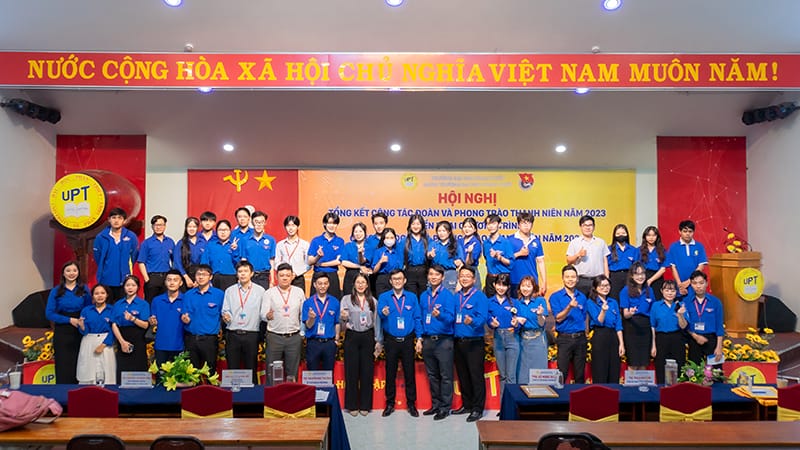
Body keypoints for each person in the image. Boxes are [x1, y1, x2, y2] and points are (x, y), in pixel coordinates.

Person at [377, 269, 422, 418]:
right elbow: (380, 315)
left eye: (400, 279)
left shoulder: (412, 297)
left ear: (404, 281)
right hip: (391, 341)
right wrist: (383, 312)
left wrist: (419, 338)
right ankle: (389, 403)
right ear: (390, 281)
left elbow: (417, 318)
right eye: (394, 279)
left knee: (410, 373)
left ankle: (411, 404)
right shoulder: (384, 297)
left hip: (407, 340)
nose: (397, 281)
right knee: (390, 373)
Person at [451, 265, 488, 423]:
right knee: (463, 375)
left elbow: (483, 318)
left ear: (474, 279)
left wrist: (472, 321)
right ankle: (467, 405)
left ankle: (477, 408)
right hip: (458, 342)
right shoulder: (456, 296)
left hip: (474, 343)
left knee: (476, 376)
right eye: (462, 276)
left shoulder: (480, 297)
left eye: (468, 276)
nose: (464, 278)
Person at [340, 273, 380, 416]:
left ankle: (365, 405)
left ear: (367, 284)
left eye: (363, 282)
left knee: (367, 371)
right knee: (351, 372)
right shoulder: (346, 299)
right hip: (352, 336)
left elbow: (376, 322)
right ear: (354, 284)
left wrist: (378, 340)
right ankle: (351, 405)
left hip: (367, 336)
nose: (361, 285)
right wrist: (343, 318)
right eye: (358, 282)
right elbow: (342, 325)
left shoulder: (373, 301)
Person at [420, 265, 456, 421]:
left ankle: (445, 407)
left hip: (444, 340)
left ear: (443, 277)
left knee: (446, 376)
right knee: (432, 375)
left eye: (437, 274)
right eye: (431, 274)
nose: (433, 277)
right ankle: (436, 404)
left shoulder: (448, 295)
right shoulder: (424, 295)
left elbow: (451, 318)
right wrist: (419, 338)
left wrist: (440, 315)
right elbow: (420, 318)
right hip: (428, 340)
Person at [45, 261, 92, 384]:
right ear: (63, 273)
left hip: (80, 329)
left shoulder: (84, 289)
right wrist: (69, 320)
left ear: (78, 273)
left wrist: (82, 322)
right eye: (68, 271)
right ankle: (63, 392)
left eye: (74, 270)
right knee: (63, 364)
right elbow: (49, 313)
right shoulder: (56, 291)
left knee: (80, 362)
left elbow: (89, 309)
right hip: (62, 331)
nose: (72, 273)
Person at [221, 261, 265, 384]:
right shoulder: (230, 290)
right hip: (233, 333)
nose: (243, 274)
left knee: (251, 368)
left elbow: (263, 313)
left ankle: (252, 395)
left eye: (245, 271)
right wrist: (226, 316)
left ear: (251, 273)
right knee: (232, 369)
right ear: (237, 274)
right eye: (240, 271)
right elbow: (225, 309)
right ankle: (233, 395)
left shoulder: (260, 291)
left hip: (251, 334)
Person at [261, 263, 305, 383]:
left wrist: (302, 333)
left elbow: (303, 314)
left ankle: (292, 395)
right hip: (274, 337)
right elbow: (262, 314)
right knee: (273, 373)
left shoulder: (299, 292)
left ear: (292, 276)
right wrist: (267, 316)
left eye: (287, 275)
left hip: (293, 337)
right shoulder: (269, 293)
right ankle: (272, 395)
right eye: (282, 275)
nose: (285, 278)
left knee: (292, 373)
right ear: (276, 277)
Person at [181, 264, 224, 375]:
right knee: (192, 374)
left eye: (204, 274)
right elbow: (184, 314)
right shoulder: (188, 295)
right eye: (198, 274)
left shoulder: (219, 294)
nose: (200, 277)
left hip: (209, 340)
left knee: (210, 373)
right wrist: (185, 319)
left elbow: (223, 314)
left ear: (210, 277)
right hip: (191, 339)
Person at [549, 265, 588, 383]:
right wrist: (569, 307)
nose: (570, 279)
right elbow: (558, 318)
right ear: (563, 278)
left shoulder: (582, 297)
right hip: (564, 339)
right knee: (562, 374)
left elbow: (584, 317)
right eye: (567, 277)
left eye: (573, 277)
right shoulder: (555, 297)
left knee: (580, 375)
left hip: (580, 338)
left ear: (577, 279)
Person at [93, 207, 139, 302]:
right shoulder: (100, 237)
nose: (116, 220)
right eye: (113, 218)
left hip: (125, 280)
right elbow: (98, 257)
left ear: (124, 220)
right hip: (106, 279)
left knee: (122, 307)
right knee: (107, 307)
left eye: (119, 218)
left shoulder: (131, 236)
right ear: (109, 220)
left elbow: (134, 256)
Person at [586, 275, 624, 384]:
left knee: (614, 370)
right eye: (601, 286)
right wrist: (603, 310)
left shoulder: (613, 302)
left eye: (607, 285)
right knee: (600, 370)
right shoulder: (590, 302)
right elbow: (599, 321)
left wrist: (621, 343)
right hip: (600, 336)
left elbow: (618, 324)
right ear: (595, 288)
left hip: (613, 337)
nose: (605, 288)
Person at [111, 275, 150, 381]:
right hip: (122, 337)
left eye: (133, 285)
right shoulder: (118, 304)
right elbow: (114, 324)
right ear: (124, 287)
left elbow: (145, 325)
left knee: (139, 368)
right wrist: (122, 342)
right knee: (122, 369)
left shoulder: (143, 304)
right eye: (127, 285)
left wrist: (133, 319)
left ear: (138, 287)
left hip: (138, 338)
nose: (130, 288)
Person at [76, 284, 116, 385]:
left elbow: (114, 330)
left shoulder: (112, 310)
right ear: (93, 296)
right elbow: (84, 331)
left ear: (107, 295)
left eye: (102, 293)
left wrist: (103, 345)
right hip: (88, 341)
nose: (100, 296)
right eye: (96, 293)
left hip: (106, 343)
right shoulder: (86, 310)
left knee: (106, 370)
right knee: (87, 370)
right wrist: (82, 326)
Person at [486, 274, 520, 396]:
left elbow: (519, 321)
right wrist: (492, 323)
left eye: (504, 285)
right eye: (499, 285)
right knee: (503, 375)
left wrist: (516, 324)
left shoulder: (514, 303)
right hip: (498, 338)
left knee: (511, 376)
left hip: (512, 338)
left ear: (508, 287)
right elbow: (488, 319)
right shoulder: (489, 302)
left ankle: (512, 405)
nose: (501, 288)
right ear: (494, 285)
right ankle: (503, 404)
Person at [649, 280, 688, 384]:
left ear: (676, 292)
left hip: (677, 338)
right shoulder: (656, 306)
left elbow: (684, 326)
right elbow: (652, 326)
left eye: (672, 290)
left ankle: (678, 390)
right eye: (667, 290)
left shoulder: (681, 305)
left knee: (679, 367)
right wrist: (653, 345)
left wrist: (680, 315)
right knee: (661, 367)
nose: (670, 293)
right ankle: (661, 391)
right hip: (661, 338)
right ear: (662, 291)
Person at [619, 262, 655, 370]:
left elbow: (653, 311)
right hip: (631, 326)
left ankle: (643, 382)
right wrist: (630, 313)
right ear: (631, 275)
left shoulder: (649, 290)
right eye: (637, 274)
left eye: (642, 273)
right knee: (633, 363)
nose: (640, 277)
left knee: (644, 362)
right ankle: (632, 382)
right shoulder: (625, 290)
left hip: (646, 327)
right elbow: (625, 314)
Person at [684, 271, 724, 365]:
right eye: (694, 283)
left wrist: (719, 346)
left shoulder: (715, 302)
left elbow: (719, 325)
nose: (698, 286)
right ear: (691, 284)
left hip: (711, 339)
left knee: (715, 371)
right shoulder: (686, 302)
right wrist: (695, 336)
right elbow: (685, 324)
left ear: (706, 283)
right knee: (694, 370)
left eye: (701, 283)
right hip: (694, 339)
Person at [303, 273, 341, 371]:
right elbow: (308, 325)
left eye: (325, 283)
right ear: (314, 285)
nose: (323, 286)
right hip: (313, 343)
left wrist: (336, 339)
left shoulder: (335, 302)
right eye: (320, 283)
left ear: (328, 284)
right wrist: (311, 318)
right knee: (312, 374)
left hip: (329, 343)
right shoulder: (308, 303)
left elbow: (337, 322)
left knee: (329, 374)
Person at [566, 215, 609, 297]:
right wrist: (578, 254)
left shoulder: (601, 242)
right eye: (585, 225)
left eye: (590, 225)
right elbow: (568, 261)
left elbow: (605, 261)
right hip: (581, 280)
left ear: (594, 227)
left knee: (598, 303)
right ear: (581, 227)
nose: (587, 227)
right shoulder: (574, 242)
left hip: (598, 280)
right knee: (581, 302)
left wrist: (606, 278)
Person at [515, 275, 548, 384]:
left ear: (534, 287)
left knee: (539, 372)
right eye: (523, 286)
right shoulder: (516, 303)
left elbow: (542, 323)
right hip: (522, 340)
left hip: (538, 339)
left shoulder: (540, 301)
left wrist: (539, 315)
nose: (525, 288)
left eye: (528, 286)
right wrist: (516, 320)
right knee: (523, 373)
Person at [148, 270, 185, 365]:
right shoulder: (157, 300)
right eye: (169, 280)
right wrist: (152, 321)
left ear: (181, 283)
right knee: (160, 373)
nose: (172, 282)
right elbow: (153, 320)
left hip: (180, 345)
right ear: (165, 282)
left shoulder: (186, 299)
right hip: (161, 345)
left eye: (175, 280)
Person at [137, 215, 175, 302]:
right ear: (152, 227)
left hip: (166, 278)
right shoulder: (147, 243)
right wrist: (147, 279)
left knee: (166, 302)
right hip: (152, 277)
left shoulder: (170, 242)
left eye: (161, 225)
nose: (158, 227)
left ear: (165, 226)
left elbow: (174, 261)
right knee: (151, 302)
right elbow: (141, 262)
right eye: (156, 225)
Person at [508, 212, 547, 298]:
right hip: (515, 281)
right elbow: (506, 259)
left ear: (532, 224)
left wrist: (544, 282)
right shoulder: (510, 240)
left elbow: (541, 262)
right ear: (518, 225)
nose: (526, 225)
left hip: (532, 282)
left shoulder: (536, 241)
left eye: (528, 222)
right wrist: (519, 254)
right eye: (523, 223)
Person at [667, 220, 708, 298]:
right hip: (679, 284)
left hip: (695, 284)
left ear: (693, 232)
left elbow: (701, 266)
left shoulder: (699, 246)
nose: (687, 234)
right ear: (680, 232)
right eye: (685, 231)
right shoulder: (674, 247)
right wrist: (680, 285)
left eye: (690, 231)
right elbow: (673, 267)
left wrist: (690, 281)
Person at [308, 212, 344, 299]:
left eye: (334, 223)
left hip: (332, 275)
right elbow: (310, 261)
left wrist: (322, 264)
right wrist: (318, 257)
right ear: (324, 224)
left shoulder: (340, 241)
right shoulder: (316, 240)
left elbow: (338, 261)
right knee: (315, 302)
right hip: (318, 274)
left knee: (334, 302)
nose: (332, 226)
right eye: (330, 223)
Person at [200, 220, 240, 291]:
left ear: (230, 231)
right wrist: (206, 279)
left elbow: (238, 264)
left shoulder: (235, 245)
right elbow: (204, 263)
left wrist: (235, 251)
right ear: (216, 231)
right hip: (214, 277)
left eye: (225, 230)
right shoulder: (210, 245)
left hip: (230, 277)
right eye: (220, 230)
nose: (223, 232)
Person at [275, 215, 310, 293]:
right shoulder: (280, 244)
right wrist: (284, 273)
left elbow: (308, 264)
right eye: (288, 225)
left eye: (293, 225)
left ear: (298, 226)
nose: (290, 228)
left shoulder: (305, 244)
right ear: (285, 227)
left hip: (298, 278)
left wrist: (296, 273)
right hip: (284, 278)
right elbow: (276, 262)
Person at [241, 210, 276, 290]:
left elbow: (272, 261)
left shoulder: (271, 240)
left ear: (265, 223)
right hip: (250, 276)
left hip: (264, 276)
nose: (259, 224)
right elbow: (243, 260)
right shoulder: (245, 240)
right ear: (252, 223)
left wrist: (272, 280)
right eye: (256, 222)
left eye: (261, 222)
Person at [428, 221, 464, 293]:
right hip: (436, 273)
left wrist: (459, 281)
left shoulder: (456, 245)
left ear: (449, 232)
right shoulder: (433, 244)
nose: (441, 233)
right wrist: (430, 255)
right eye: (439, 231)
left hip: (450, 274)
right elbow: (428, 257)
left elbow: (461, 264)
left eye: (444, 231)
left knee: (450, 295)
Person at [482, 214, 513, 298]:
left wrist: (499, 257)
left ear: (499, 224)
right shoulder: (485, 243)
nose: (491, 226)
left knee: (505, 303)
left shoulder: (506, 242)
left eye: (493, 223)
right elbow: (486, 259)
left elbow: (510, 263)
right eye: (488, 224)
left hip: (503, 278)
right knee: (489, 303)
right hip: (490, 278)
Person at [607, 224, 638, 301]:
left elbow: (636, 266)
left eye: (623, 233)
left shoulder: (633, 250)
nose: (621, 235)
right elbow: (606, 265)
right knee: (614, 299)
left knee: (628, 298)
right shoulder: (609, 249)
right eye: (618, 234)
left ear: (627, 234)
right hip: (614, 277)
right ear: (614, 235)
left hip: (629, 277)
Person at [173, 217, 205, 290]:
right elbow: (177, 262)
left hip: (200, 276)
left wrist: (199, 278)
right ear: (186, 228)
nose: (192, 229)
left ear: (197, 228)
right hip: (184, 276)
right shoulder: (180, 243)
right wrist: (186, 277)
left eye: (194, 227)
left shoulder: (203, 243)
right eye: (189, 227)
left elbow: (205, 261)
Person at [371, 227, 404, 296]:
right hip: (382, 280)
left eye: (392, 238)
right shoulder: (378, 251)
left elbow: (401, 267)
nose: (389, 240)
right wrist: (380, 262)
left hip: (396, 279)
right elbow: (374, 271)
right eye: (387, 238)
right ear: (383, 239)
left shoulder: (398, 252)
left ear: (395, 239)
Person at [403, 214, 430, 298]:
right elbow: (400, 260)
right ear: (410, 226)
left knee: (424, 297)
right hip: (410, 271)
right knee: (411, 297)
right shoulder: (404, 241)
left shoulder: (428, 240)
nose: (415, 226)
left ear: (422, 225)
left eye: (418, 224)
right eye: (413, 224)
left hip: (424, 271)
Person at [341, 222, 371, 296]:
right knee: (348, 298)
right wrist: (359, 267)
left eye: (360, 231)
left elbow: (362, 261)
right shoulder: (348, 245)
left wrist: (360, 254)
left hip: (364, 276)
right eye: (356, 232)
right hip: (350, 275)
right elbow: (344, 262)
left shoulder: (369, 246)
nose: (358, 234)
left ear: (365, 233)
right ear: (353, 234)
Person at [640, 226, 668, 300]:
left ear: (657, 237)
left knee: (657, 300)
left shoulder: (662, 250)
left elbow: (663, 269)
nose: (651, 238)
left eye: (654, 235)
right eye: (649, 235)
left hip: (657, 278)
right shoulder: (639, 250)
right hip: (642, 278)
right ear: (645, 236)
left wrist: (650, 280)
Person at [364, 212, 388, 296]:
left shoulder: (391, 238)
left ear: (385, 223)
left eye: (381, 223)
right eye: (376, 223)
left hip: (389, 275)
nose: (379, 226)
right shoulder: (369, 241)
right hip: (374, 276)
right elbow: (367, 260)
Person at [458, 217, 483, 291]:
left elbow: (469, 263)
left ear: (475, 229)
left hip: (472, 271)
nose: (467, 229)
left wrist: (470, 253)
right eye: (465, 227)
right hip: (460, 272)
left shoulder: (476, 243)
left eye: (470, 227)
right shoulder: (459, 241)